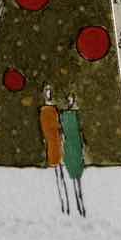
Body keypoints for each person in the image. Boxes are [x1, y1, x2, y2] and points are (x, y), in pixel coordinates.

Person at [38, 85, 69, 214]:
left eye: (50, 92)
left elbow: (59, 124)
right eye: (47, 92)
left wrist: (61, 132)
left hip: (57, 138)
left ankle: (66, 202)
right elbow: (45, 127)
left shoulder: (55, 108)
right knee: (57, 169)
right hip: (51, 140)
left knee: (62, 168)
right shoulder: (44, 110)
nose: (49, 95)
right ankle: (63, 202)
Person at [61, 93, 86, 217]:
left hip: (76, 146)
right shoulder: (65, 115)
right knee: (74, 176)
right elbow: (63, 133)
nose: (70, 101)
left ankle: (81, 206)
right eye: (69, 100)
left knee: (78, 177)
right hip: (70, 147)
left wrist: (82, 147)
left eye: (72, 100)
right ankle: (79, 206)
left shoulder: (76, 114)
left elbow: (80, 132)